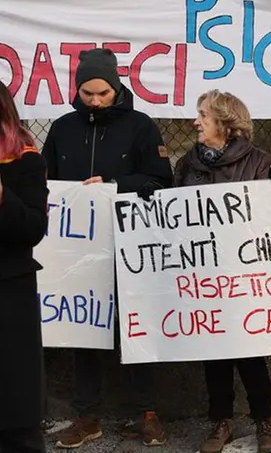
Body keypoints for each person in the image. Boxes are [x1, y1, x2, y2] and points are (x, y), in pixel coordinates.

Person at [42, 48, 173, 449]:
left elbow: (161, 181)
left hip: (130, 246)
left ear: (117, 88)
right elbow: (46, 182)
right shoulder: (62, 129)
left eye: (102, 93)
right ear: (77, 90)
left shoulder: (142, 127)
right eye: (87, 94)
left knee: (135, 328)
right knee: (83, 331)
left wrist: (116, 186)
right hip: (76, 252)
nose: (95, 101)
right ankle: (87, 416)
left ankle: (147, 413)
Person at [175, 89, 271, 453]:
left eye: (203, 115)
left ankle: (265, 417)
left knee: (249, 349)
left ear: (224, 121)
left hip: (245, 272)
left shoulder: (259, 162)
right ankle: (219, 420)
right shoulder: (188, 164)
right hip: (203, 273)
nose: (195, 121)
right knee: (214, 349)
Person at [0, 81, 50, 453]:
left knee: (15, 401)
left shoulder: (27, 161)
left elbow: (33, 229)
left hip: (8, 289)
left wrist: (2, 197)